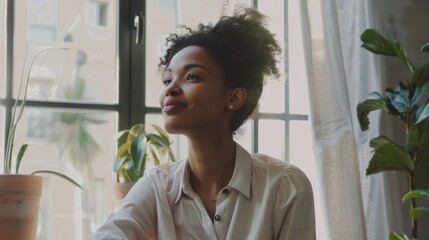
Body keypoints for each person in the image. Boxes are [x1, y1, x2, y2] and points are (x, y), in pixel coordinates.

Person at [94, 7, 315, 240]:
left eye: (192, 77)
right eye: (168, 79)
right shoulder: (157, 186)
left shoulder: (285, 187)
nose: (170, 88)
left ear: (233, 97)